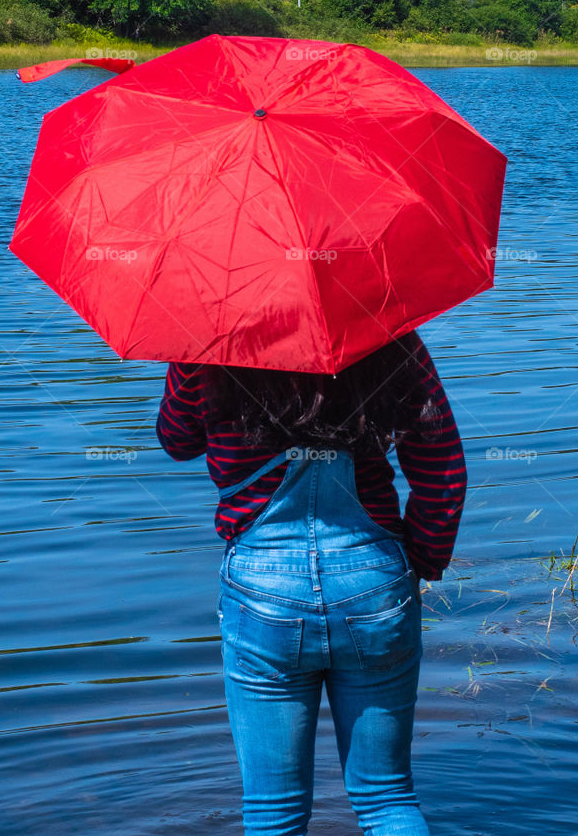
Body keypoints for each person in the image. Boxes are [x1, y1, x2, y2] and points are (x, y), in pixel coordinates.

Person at [156, 328, 467, 836]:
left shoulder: (204, 337)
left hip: (262, 593)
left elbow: (176, 440)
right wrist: (422, 563)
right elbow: (442, 467)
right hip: (373, 581)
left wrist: (188, 357)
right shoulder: (386, 329)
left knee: (272, 813)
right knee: (387, 797)